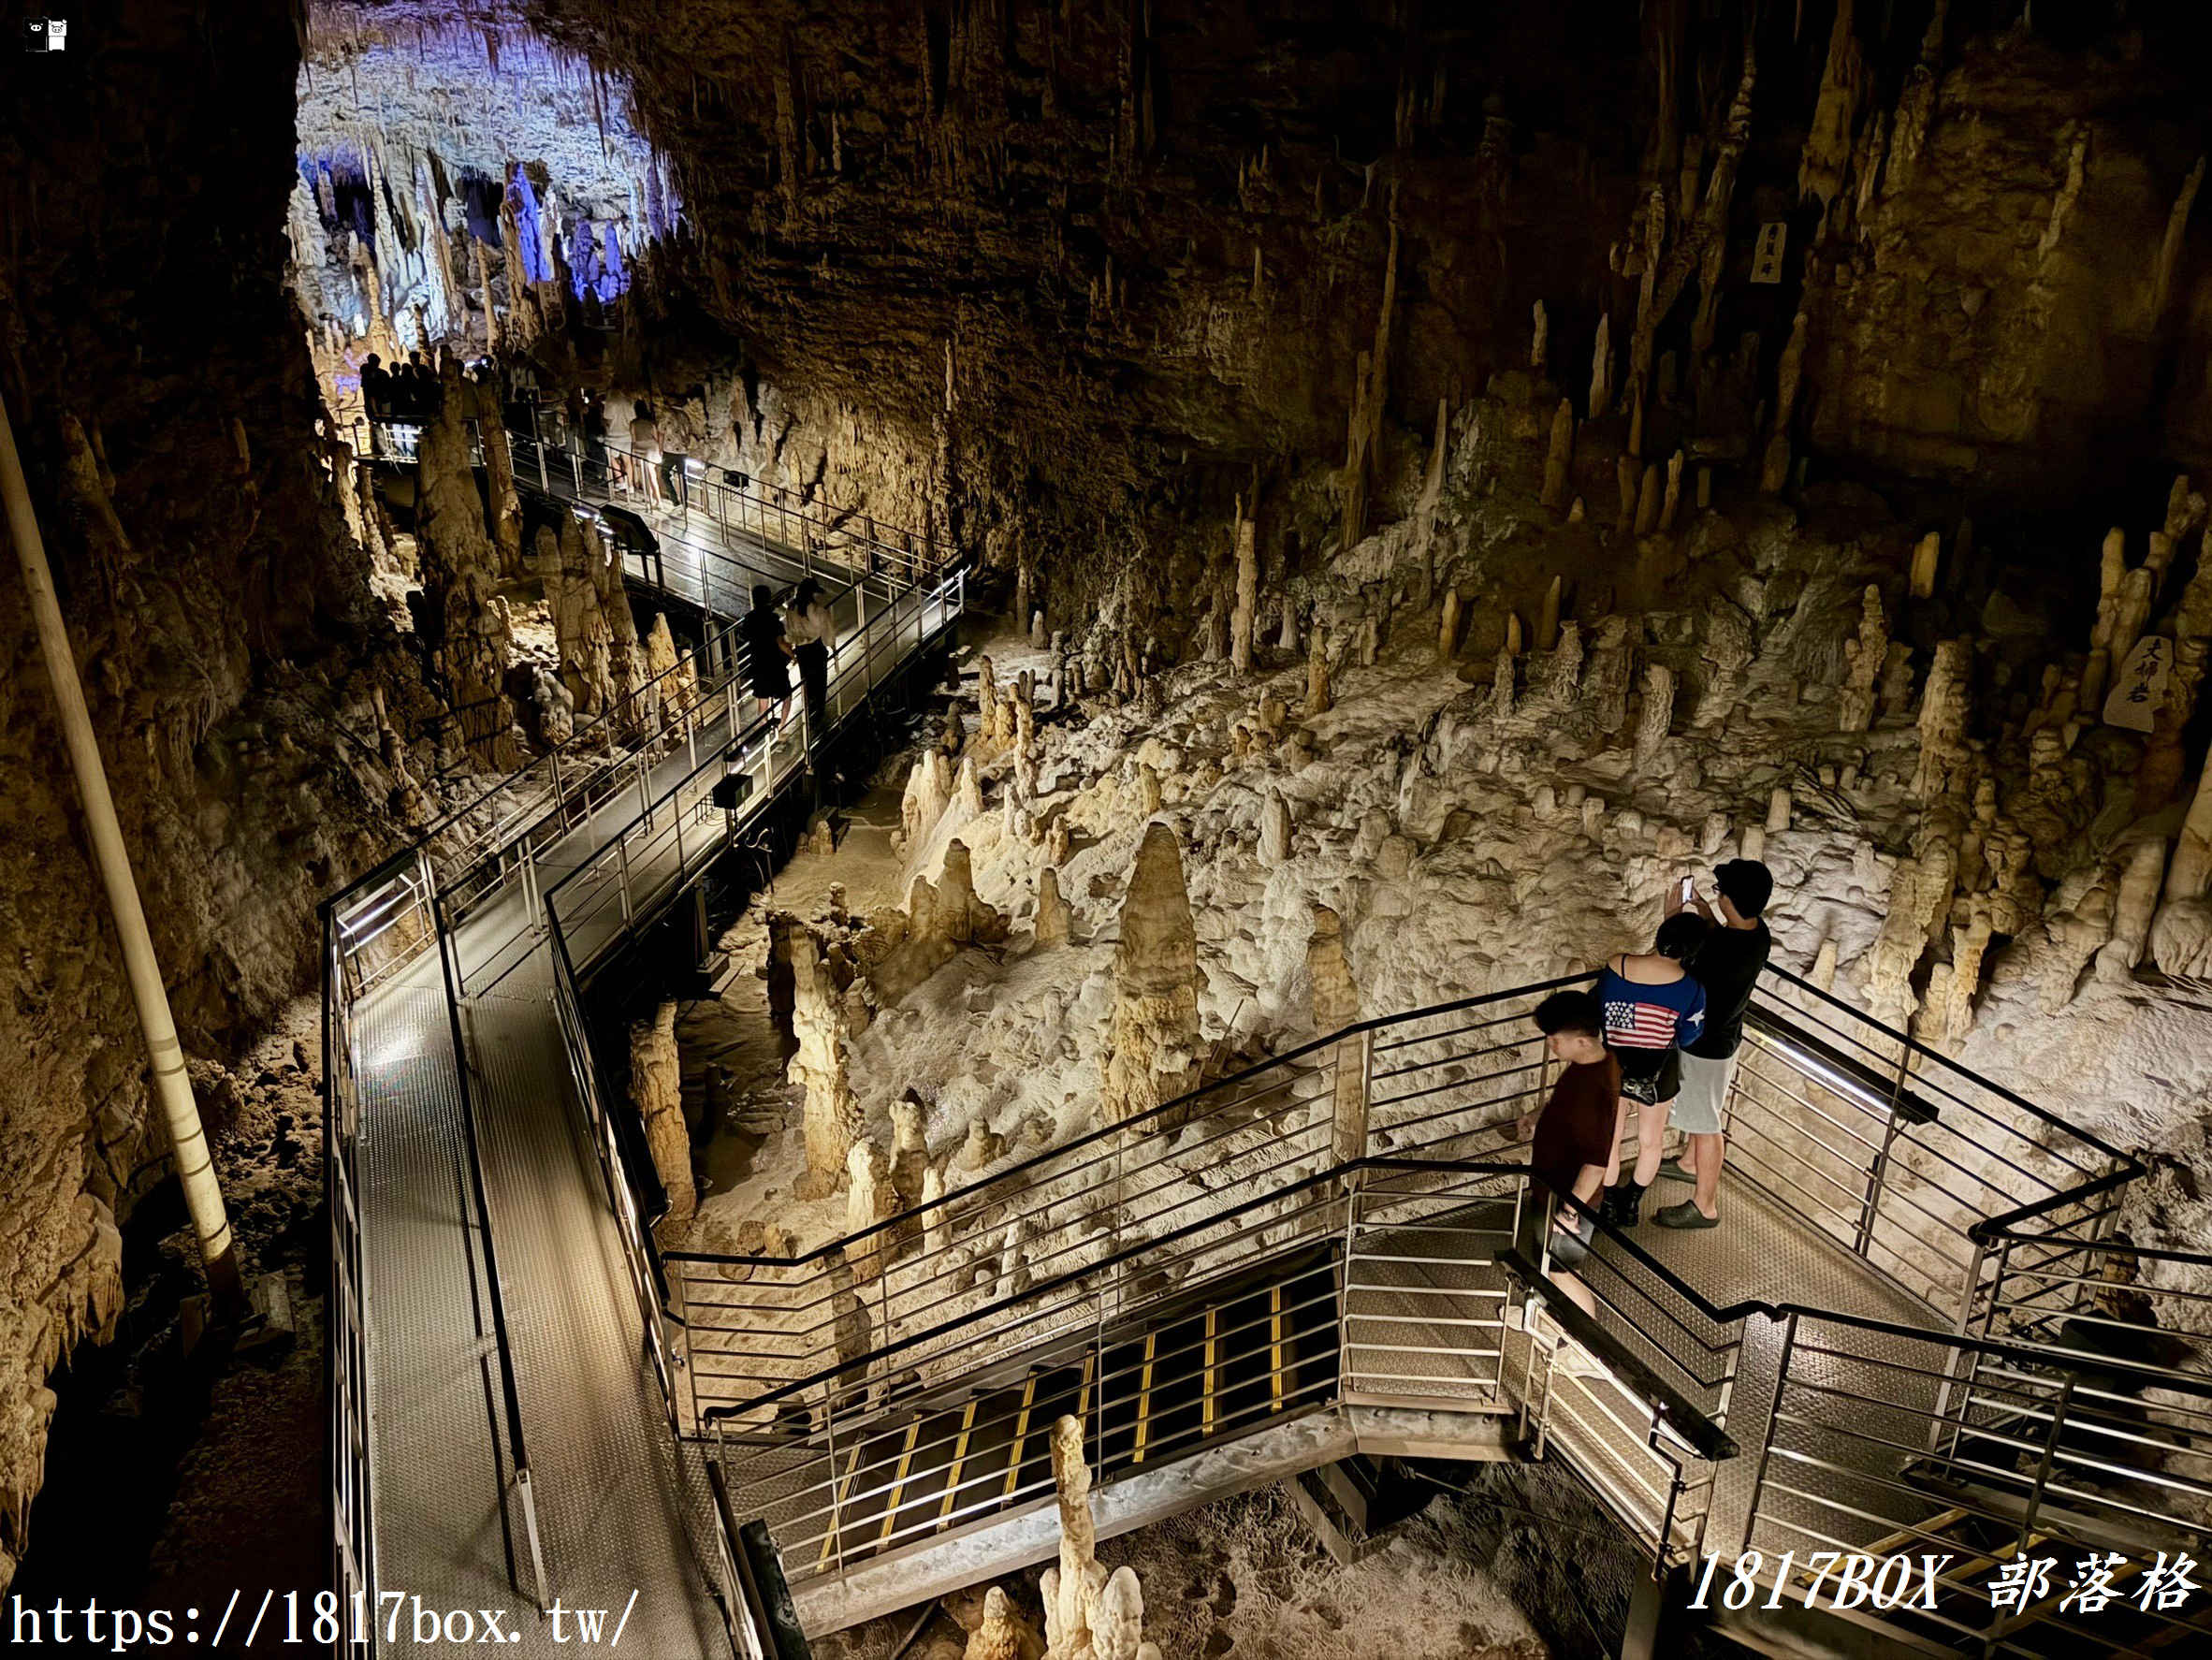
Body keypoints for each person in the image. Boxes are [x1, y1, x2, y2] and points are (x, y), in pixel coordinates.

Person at [1655, 859, 1774, 1230]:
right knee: (1705, 1112)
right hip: (1725, 1037)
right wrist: (1707, 915)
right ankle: (1690, 1163)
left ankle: (1705, 1206)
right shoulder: (1756, 934)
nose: (1717, 897)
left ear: (1732, 900)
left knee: (1708, 1125)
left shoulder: (1719, 954)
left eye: (1720, 893)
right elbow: (1724, 938)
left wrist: (1672, 921)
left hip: (1703, 1045)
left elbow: (1672, 966)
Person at [1514, 990, 1623, 1324]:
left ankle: (1585, 1345)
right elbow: (1562, 1104)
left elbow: (1596, 1164)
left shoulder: (1597, 1092)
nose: (1551, 1047)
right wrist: (1536, 1116)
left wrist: (1569, 1211)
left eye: (1555, 1040)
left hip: (1570, 1199)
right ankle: (1540, 1314)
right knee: (1544, 1260)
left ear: (1583, 1041)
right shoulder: (1587, 1064)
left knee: (1562, 1270)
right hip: (1553, 1186)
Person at [1596, 910, 1709, 1227]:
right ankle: (1630, 1204)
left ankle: (1605, 1203)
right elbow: (1689, 1035)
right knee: (1651, 1141)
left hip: (1613, 1064)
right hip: (1659, 1070)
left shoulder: (1616, 964)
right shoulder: (1691, 988)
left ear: (1660, 936)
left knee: (1610, 1139)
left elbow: (1599, 1006)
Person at [786, 578, 836, 729]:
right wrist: (831, 645)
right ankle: (819, 713)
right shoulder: (817, 610)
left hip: (802, 649)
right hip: (816, 647)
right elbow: (827, 630)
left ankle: (809, 711)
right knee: (820, 681)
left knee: (806, 681)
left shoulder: (791, 609)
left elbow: (789, 632)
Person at [743, 583, 794, 724]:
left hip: (758, 663)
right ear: (768, 599)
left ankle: (765, 730)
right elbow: (780, 642)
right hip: (774, 662)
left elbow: (745, 636)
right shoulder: (772, 619)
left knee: (762, 701)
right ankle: (782, 727)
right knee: (787, 696)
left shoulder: (749, 619)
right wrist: (792, 655)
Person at [631, 399, 663, 505]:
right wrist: (660, 450)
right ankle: (654, 499)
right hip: (651, 447)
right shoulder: (650, 423)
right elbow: (656, 437)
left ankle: (656, 500)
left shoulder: (633, 423)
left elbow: (633, 439)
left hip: (640, 447)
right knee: (651, 474)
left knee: (647, 474)